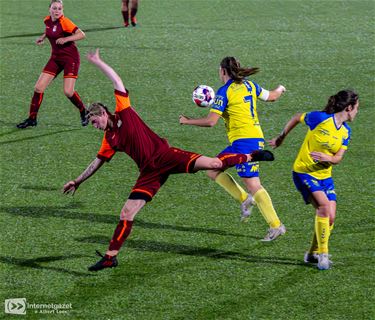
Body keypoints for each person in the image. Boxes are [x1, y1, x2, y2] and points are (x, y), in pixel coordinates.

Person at [62, 49, 275, 272]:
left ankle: (251, 156)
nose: (96, 127)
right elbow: (97, 162)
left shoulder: (123, 111)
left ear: (103, 113)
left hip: (167, 156)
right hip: (148, 173)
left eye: (95, 122)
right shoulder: (110, 139)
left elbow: (117, 80)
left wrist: (98, 62)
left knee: (213, 164)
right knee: (127, 212)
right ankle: (110, 257)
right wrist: (77, 181)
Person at [179, 56, 286, 241]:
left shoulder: (224, 91)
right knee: (213, 169)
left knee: (252, 183)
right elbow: (272, 97)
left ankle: (274, 224)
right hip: (253, 139)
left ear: (223, 71)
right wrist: (280, 89)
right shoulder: (250, 86)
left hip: (244, 143)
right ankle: (247, 201)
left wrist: (187, 121)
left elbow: (211, 122)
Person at [268, 89, 359, 270]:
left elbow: (339, 157)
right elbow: (296, 117)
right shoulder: (320, 119)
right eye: (356, 108)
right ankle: (323, 254)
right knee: (324, 207)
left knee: (330, 218)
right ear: (348, 108)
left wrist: (330, 159)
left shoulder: (346, 132)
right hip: (304, 173)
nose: (357, 112)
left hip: (325, 178)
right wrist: (281, 137)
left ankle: (311, 254)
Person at [17, 0, 88, 129]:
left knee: (68, 92)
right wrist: (43, 37)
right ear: (49, 9)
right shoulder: (47, 20)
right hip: (55, 58)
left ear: (63, 10)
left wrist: (66, 39)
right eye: (54, 8)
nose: (57, 11)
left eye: (59, 9)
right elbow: (50, 30)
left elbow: (82, 35)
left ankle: (84, 111)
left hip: (70, 59)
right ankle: (32, 119)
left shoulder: (65, 22)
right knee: (38, 88)